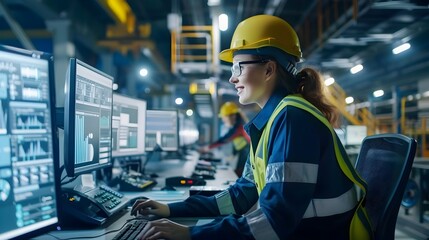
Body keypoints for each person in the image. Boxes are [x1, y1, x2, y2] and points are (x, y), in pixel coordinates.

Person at [131, 14, 371, 240]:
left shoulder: (293, 119)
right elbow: (239, 196)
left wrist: (190, 235)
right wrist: (171, 210)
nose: (232, 78)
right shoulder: (276, 119)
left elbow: (274, 222)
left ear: (269, 69)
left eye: (239, 67)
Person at [199, 101, 250, 177]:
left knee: (238, 176)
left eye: (224, 117)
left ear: (232, 116)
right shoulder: (241, 126)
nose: (223, 120)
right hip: (245, 157)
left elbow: (224, 139)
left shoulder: (240, 128)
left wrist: (207, 148)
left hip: (246, 158)